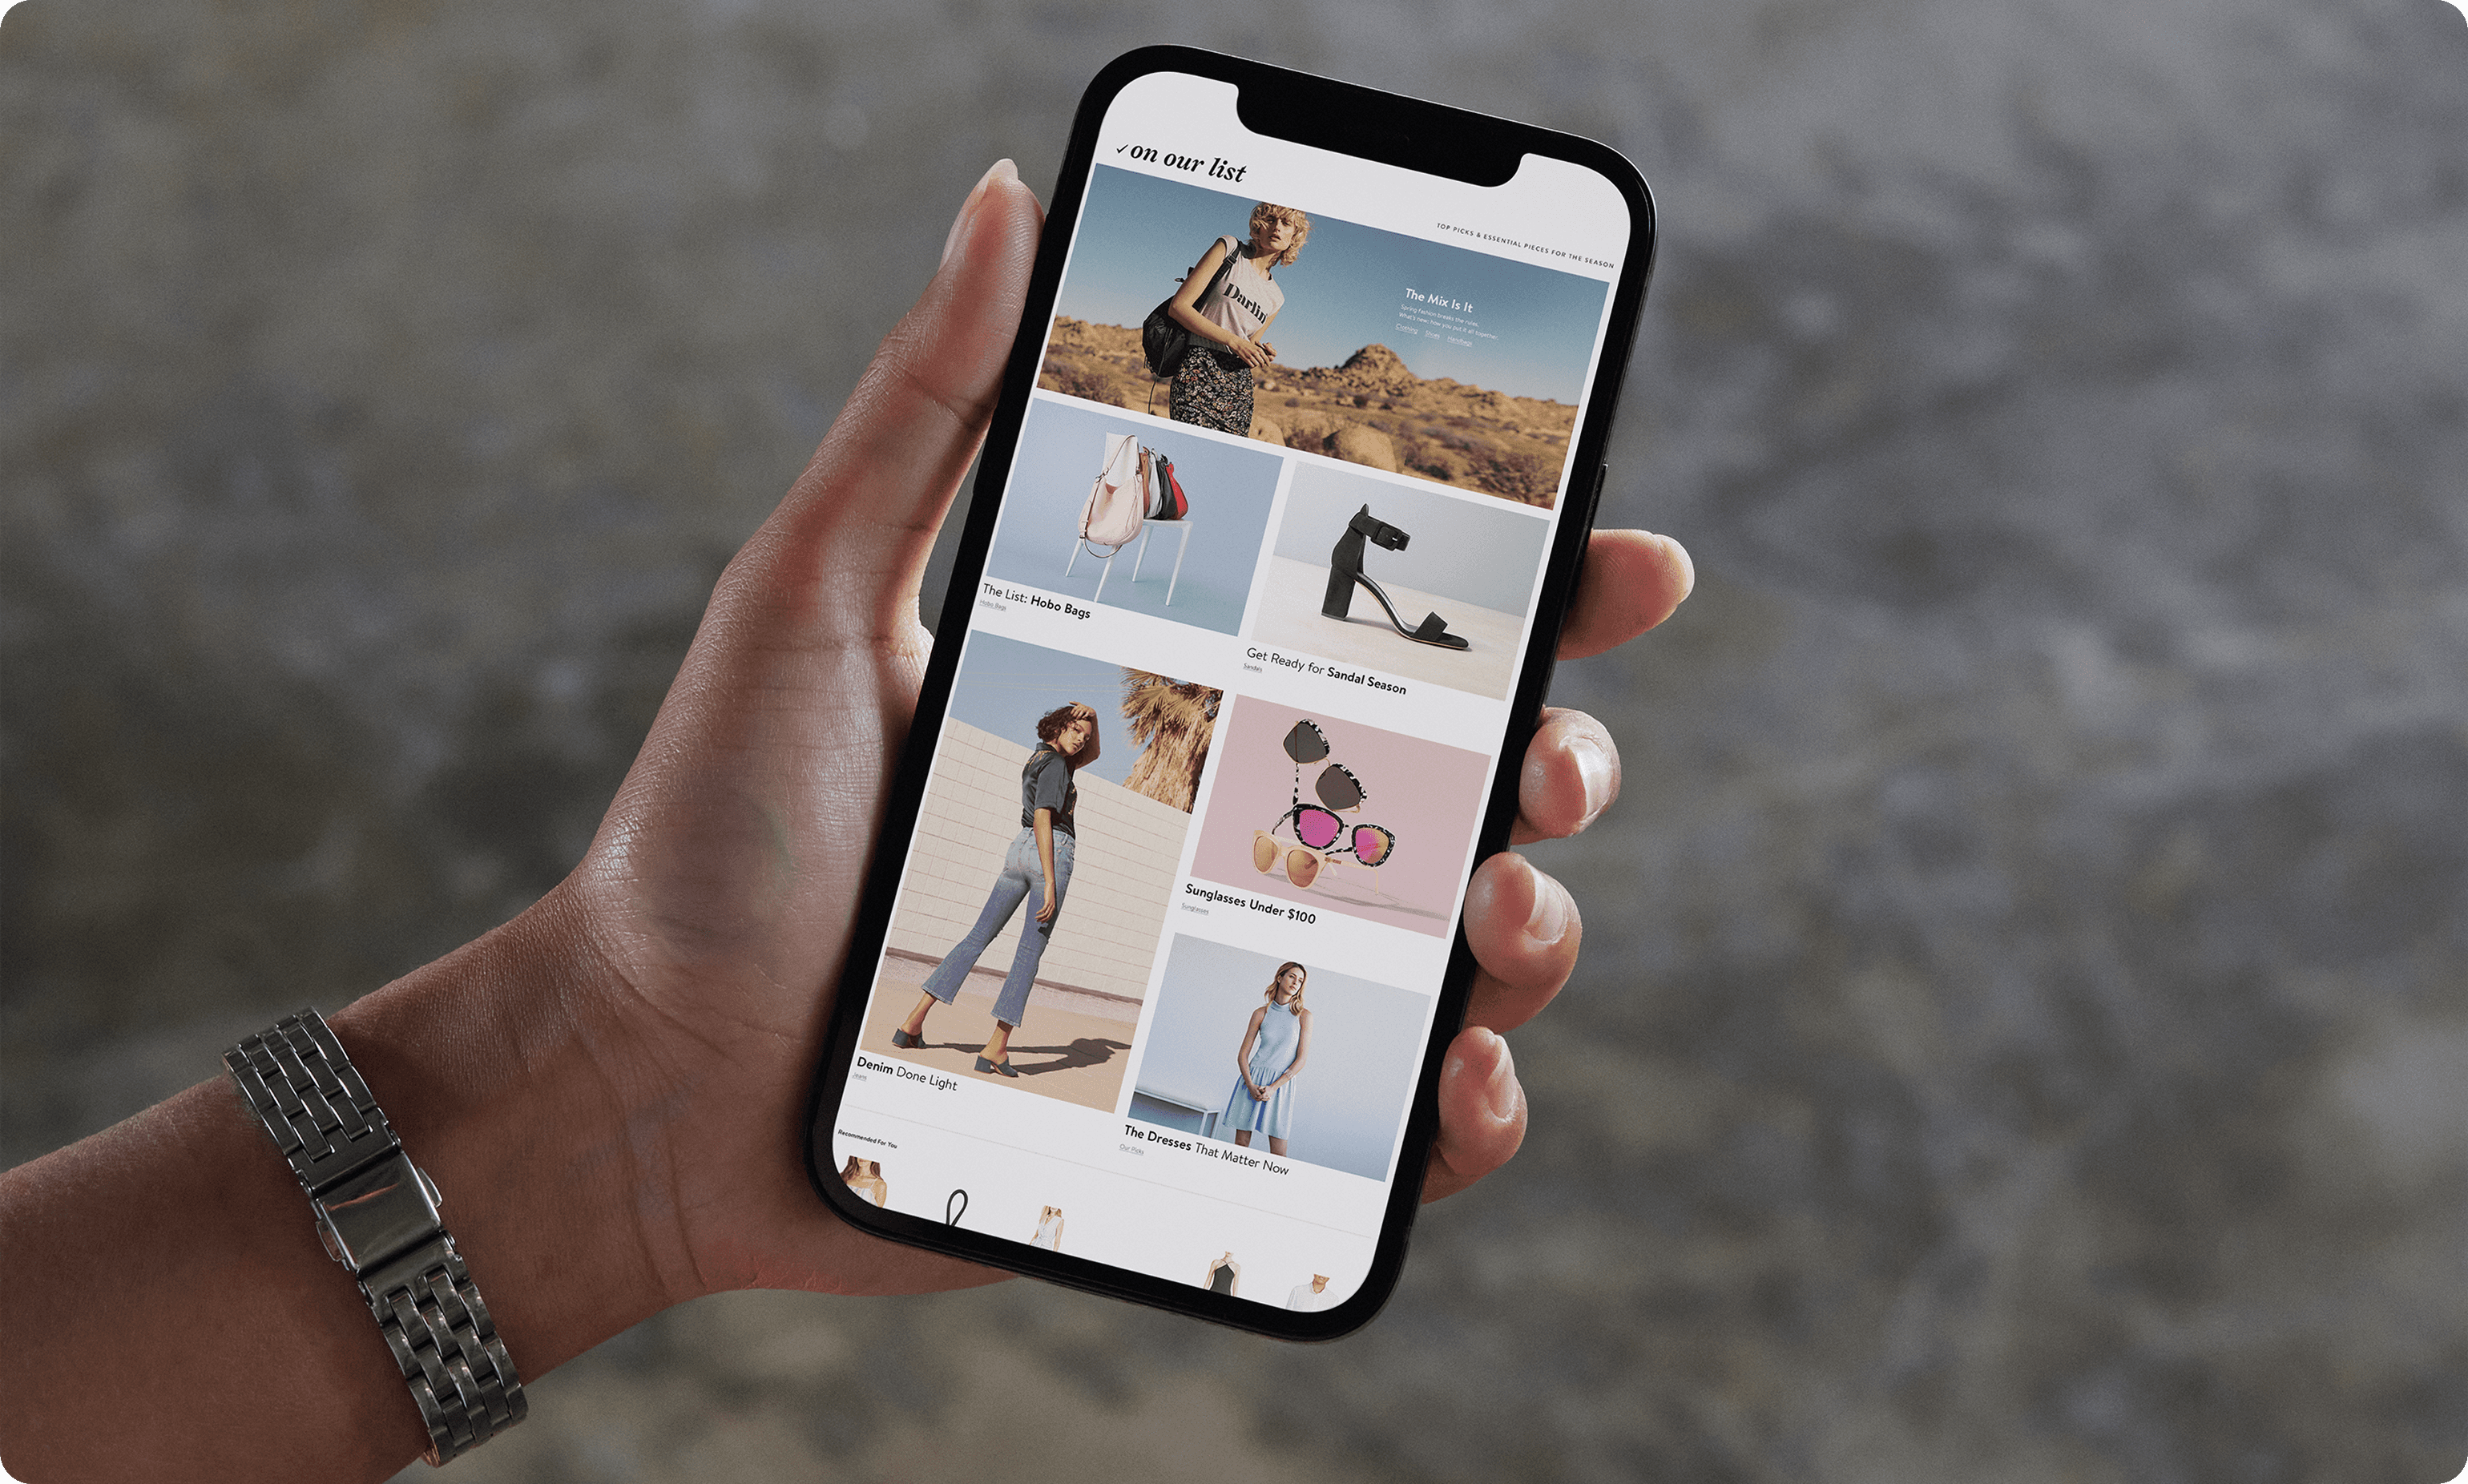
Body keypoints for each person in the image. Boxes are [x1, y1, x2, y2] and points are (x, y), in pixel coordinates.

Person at [0, 159, 1694, 1482]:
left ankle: (993, 1037)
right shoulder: (1075, 699)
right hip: (1090, 716)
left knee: (1029, 926)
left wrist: (623, 1068)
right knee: (1013, 921)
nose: (1275, 240)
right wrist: (610, 1080)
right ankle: (995, 1034)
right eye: (1272, 225)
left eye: (1287, 236)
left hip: (1083, 756)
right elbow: (1181, 326)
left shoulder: (1064, 754)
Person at [891, 700, 1098, 1076]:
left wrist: (1091, 716)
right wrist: (1051, 881)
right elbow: (1043, 816)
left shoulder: (1039, 759)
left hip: (1018, 851)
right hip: (1049, 850)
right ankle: (996, 1049)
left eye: (1086, 735)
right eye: (1076, 730)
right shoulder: (1057, 765)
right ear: (1059, 726)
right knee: (1029, 953)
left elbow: (1093, 753)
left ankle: (912, 1023)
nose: (1083, 740)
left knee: (977, 936)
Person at [1163, 202, 1305, 434]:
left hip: (1238, 385)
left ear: (1294, 236)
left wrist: (1260, 352)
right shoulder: (1229, 249)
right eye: (1271, 220)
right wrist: (1234, 341)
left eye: (1286, 223)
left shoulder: (1276, 297)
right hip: (1197, 370)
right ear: (1258, 226)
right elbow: (1179, 307)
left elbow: (1248, 344)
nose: (1277, 227)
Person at [1224, 962, 1312, 1156]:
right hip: (1252, 1081)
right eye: (1292, 977)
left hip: (1280, 1086)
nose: (1295, 983)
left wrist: (1273, 1087)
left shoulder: (1304, 1016)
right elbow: (1243, 1055)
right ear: (1280, 978)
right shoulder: (1260, 1013)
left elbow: (1301, 1060)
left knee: (1278, 1154)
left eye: (1300, 980)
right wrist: (1250, 1084)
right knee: (1240, 1146)